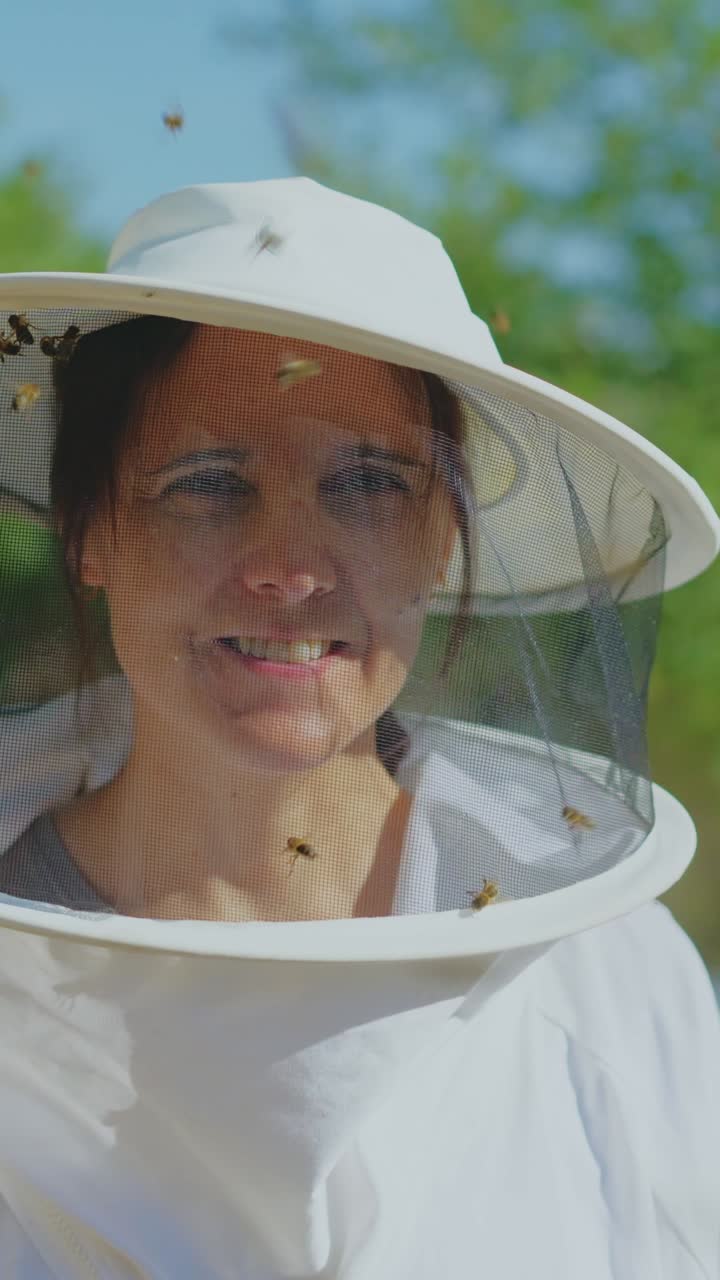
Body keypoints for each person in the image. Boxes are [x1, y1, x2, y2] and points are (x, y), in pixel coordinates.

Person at [0, 178, 717, 1278]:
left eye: (370, 482)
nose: (290, 562)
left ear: (441, 538)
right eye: (207, 482)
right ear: (93, 531)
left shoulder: (606, 969)